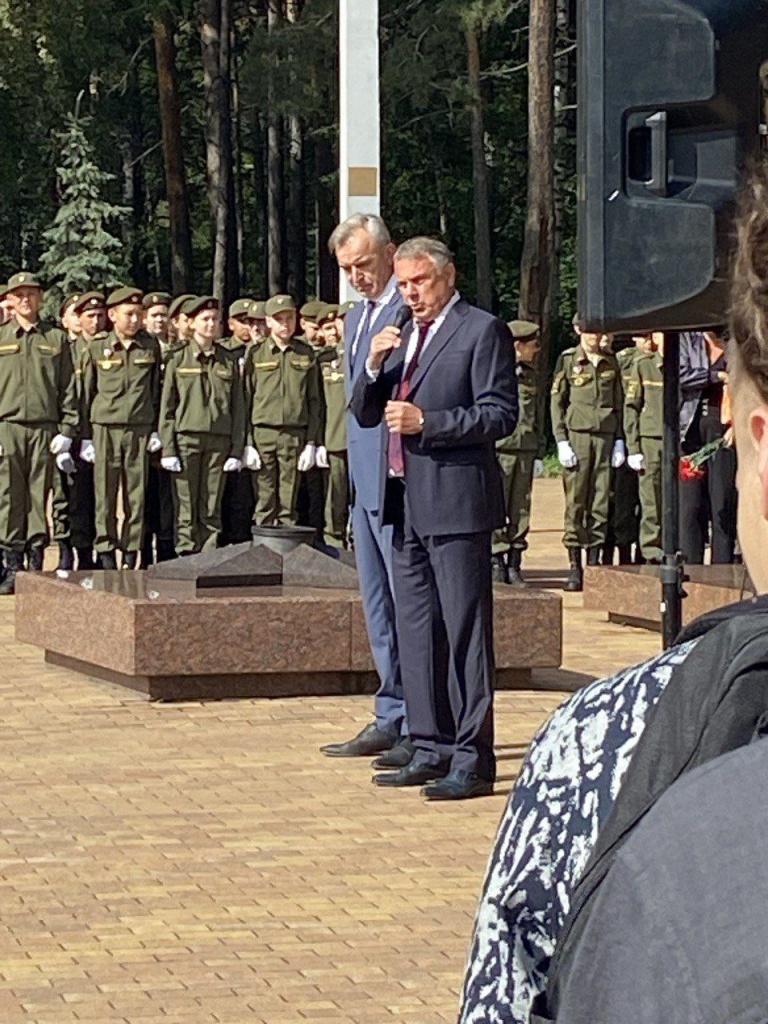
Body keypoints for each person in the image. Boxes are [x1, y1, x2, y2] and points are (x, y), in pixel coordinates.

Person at [351, 236, 517, 800]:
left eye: (418, 282)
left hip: (456, 503)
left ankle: (473, 758)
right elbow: (367, 412)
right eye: (402, 283)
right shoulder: (399, 335)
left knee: (465, 633)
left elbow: (500, 414)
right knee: (417, 629)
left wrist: (432, 422)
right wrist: (373, 363)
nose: (409, 293)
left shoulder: (480, 330)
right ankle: (430, 744)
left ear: (447, 277)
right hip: (405, 502)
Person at [320, 213, 409, 763]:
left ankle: (421, 719)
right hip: (362, 481)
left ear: (390, 253)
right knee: (377, 605)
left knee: (407, 606)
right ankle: (391, 711)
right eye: (347, 269)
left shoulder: (413, 310)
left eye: (364, 264)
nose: (357, 276)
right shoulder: (356, 319)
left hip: (399, 482)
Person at [0, 271, 78, 593]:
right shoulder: (2, 336)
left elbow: (68, 387)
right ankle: (11, 563)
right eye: (19, 295)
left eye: (31, 294)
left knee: (39, 494)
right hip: (8, 426)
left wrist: (68, 428)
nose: (25, 300)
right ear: (10, 300)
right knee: (8, 494)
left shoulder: (56, 339)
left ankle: (35, 560)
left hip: (45, 428)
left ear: (41, 298)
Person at [80, 286, 162, 570]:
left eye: (138, 314)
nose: (135, 320)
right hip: (105, 428)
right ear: (112, 315)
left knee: (135, 496)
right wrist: (85, 437)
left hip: (139, 428)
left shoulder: (149, 347)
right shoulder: (96, 347)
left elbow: (155, 391)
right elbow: (86, 392)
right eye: (128, 314)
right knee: (104, 494)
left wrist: (154, 428)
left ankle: (131, 552)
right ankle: (105, 552)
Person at [159, 296, 244, 554]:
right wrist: (168, 448)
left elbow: (238, 408)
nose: (211, 325)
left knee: (211, 503)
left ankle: (208, 553)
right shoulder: (178, 359)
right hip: (186, 439)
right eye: (205, 320)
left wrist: (237, 449)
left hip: (219, 440)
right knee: (186, 503)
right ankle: (186, 552)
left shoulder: (227, 360)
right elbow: (167, 407)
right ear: (192, 323)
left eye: (215, 320)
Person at [551, 326, 626, 591]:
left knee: (601, 499)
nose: (598, 339)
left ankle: (593, 564)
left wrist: (619, 439)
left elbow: (618, 401)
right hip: (578, 437)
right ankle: (575, 566)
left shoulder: (611, 361)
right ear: (579, 331)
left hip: (604, 436)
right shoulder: (569, 359)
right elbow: (556, 402)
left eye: (601, 334)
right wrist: (561, 440)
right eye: (593, 334)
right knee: (576, 500)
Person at [243, 294, 322, 526]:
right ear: (268, 322)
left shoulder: (305, 353)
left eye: (289, 318)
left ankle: (286, 552)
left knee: (289, 499)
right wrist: (247, 442)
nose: (285, 324)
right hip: (263, 433)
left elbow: (314, 401)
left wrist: (311, 441)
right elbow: (245, 399)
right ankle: (263, 551)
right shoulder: (256, 354)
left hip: (294, 433)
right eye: (279, 319)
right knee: (264, 498)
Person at [491, 320, 544, 586]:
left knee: (521, 507)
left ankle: (515, 561)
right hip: (500, 448)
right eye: (533, 345)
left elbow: (537, 415)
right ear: (517, 345)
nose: (536, 350)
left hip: (525, 448)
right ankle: (497, 560)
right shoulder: (493, 372)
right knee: (497, 505)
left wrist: (539, 450)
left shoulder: (531, 375)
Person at [679, 327, 737, 564]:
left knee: (721, 504)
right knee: (690, 507)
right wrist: (715, 377)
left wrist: (737, 425)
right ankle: (691, 570)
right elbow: (680, 375)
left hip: (724, 432)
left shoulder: (737, 345)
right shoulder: (687, 339)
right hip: (690, 430)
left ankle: (722, 569)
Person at [141, 291, 179, 565]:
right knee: (143, 496)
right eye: (154, 315)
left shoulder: (178, 349)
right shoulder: (141, 348)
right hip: (143, 432)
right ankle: (143, 551)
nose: (160, 320)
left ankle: (166, 551)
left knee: (168, 498)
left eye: (164, 315)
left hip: (170, 433)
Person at [219, 298, 258, 545]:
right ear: (231, 323)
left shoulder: (259, 350)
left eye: (253, 321)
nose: (248, 327)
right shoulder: (224, 352)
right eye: (243, 321)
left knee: (248, 498)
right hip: (227, 430)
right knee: (225, 496)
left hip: (255, 430)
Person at [624, 333, 664, 562]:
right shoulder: (643, 365)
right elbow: (632, 406)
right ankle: (651, 549)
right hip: (649, 438)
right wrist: (633, 447)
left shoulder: (683, 364)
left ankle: (671, 546)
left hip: (678, 438)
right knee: (651, 499)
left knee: (674, 497)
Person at [316, 320, 349, 547]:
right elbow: (317, 404)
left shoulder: (369, 354)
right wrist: (317, 441)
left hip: (362, 440)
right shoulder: (326, 359)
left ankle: (357, 541)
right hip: (335, 438)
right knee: (335, 498)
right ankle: (334, 542)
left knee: (362, 499)